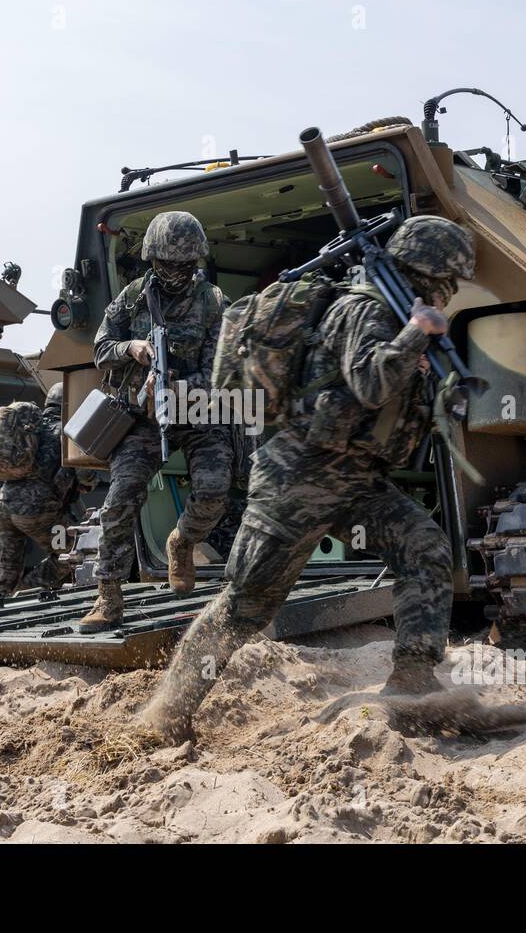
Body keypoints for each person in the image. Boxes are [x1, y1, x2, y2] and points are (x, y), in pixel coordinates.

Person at [136, 215, 477, 743]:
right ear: (433, 274)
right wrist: (417, 334)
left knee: (423, 547)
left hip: (356, 478)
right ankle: (167, 715)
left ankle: (412, 677)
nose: (450, 294)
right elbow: (368, 382)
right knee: (245, 605)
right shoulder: (365, 309)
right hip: (299, 474)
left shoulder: (392, 314)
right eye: (449, 282)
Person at [78, 211, 233, 633]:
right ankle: (107, 597)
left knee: (215, 489)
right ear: (151, 259)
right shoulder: (130, 298)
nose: (176, 273)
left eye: (185, 266)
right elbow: (100, 348)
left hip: (198, 412)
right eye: (167, 264)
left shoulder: (214, 303)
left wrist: (182, 388)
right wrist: (132, 348)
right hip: (144, 417)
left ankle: (181, 542)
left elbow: (223, 369)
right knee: (120, 499)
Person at [0, 383, 95, 602]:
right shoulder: (69, 431)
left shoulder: (30, 427)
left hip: (2, 509)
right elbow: (87, 476)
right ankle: (28, 589)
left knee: (6, 575)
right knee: (78, 550)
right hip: (37, 511)